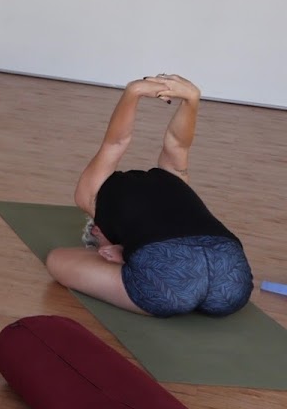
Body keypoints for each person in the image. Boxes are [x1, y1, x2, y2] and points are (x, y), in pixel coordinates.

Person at [46, 74, 252, 317]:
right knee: (172, 277)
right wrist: (191, 100)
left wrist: (132, 93)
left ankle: (169, 298)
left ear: (97, 229)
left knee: (55, 260)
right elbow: (177, 144)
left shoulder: (90, 196)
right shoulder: (174, 177)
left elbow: (116, 143)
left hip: (169, 278)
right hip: (230, 270)